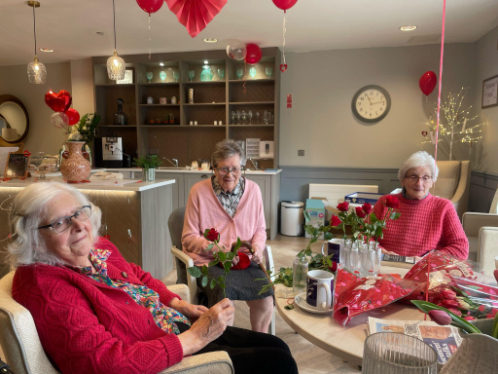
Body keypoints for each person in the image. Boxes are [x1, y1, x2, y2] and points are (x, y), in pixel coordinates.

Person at [7, 182, 297, 374]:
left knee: (278, 346)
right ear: (33, 240)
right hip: (158, 356)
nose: (79, 227)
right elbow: (103, 362)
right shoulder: (45, 285)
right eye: (59, 222)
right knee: (278, 363)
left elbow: (137, 276)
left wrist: (179, 304)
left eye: (77, 213)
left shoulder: (98, 248)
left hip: (172, 327)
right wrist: (195, 337)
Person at [182, 140, 274, 333]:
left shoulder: (254, 190)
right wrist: (219, 250)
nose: (230, 175)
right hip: (210, 262)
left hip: (244, 260)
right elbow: (188, 238)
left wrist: (257, 247)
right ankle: (225, 349)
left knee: (265, 298)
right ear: (214, 168)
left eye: (236, 169)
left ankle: (261, 343)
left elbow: (260, 229)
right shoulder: (198, 192)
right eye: (224, 169)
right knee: (225, 301)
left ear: (242, 167)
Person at [372, 151, 468, 260]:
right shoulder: (385, 202)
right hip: (386, 266)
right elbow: (363, 236)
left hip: (425, 271)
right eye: (413, 177)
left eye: (426, 177)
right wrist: (380, 252)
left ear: (432, 181)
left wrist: (427, 260)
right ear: (403, 180)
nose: (419, 183)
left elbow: (460, 248)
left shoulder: (444, 207)